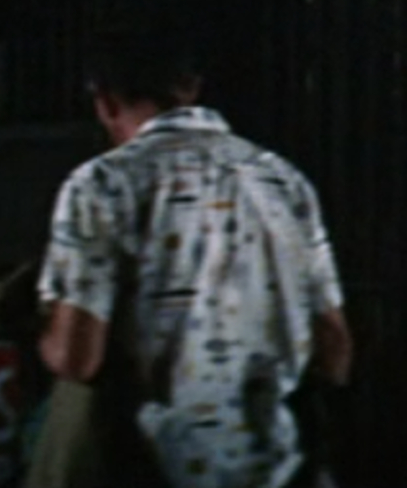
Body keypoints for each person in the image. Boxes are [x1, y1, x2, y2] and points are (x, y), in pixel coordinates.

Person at [35, 32, 354, 488]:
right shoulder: (284, 181)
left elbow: (76, 358)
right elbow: (335, 351)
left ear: (104, 102)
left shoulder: (101, 184)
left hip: (155, 468)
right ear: (191, 88)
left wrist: (43, 335)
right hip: (275, 469)